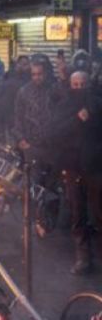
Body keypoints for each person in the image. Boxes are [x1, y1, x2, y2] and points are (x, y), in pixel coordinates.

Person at [50, 71, 102, 275]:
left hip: (95, 166)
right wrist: (76, 120)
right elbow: (55, 131)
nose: (79, 88)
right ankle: (83, 257)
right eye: (75, 84)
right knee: (77, 213)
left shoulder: (98, 103)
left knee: (99, 212)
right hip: (72, 166)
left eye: (82, 84)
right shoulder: (64, 106)